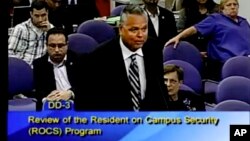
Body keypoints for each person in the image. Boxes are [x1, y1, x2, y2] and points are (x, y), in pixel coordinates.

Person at [75, 4, 168, 111]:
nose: (140, 35)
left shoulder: (154, 49)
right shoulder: (99, 57)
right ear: (120, 29)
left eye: (144, 29)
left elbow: (159, 92)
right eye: (134, 30)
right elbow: (92, 101)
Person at [165, 0, 250, 80]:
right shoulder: (216, 19)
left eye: (235, 4)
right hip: (223, 64)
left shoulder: (244, 22)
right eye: (229, 5)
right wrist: (178, 37)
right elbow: (194, 29)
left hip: (244, 63)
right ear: (222, 9)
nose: (232, 7)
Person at [33, 27, 78, 111]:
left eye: (60, 46)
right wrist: (46, 99)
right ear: (46, 45)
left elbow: (86, 86)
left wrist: (70, 93)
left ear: (67, 45)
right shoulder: (39, 64)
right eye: (52, 46)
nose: (57, 50)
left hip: (76, 104)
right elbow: (39, 91)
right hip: (51, 106)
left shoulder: (79, 60)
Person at [8, 0, 53, 67]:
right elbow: (10, 53)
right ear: (31, 14)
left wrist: (49, 33)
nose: (40, 19)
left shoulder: (51, 30)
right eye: (37, 16)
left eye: (43, 15)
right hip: (22, 68)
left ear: (47, 13)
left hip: (41, 70)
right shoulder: (20, 29)